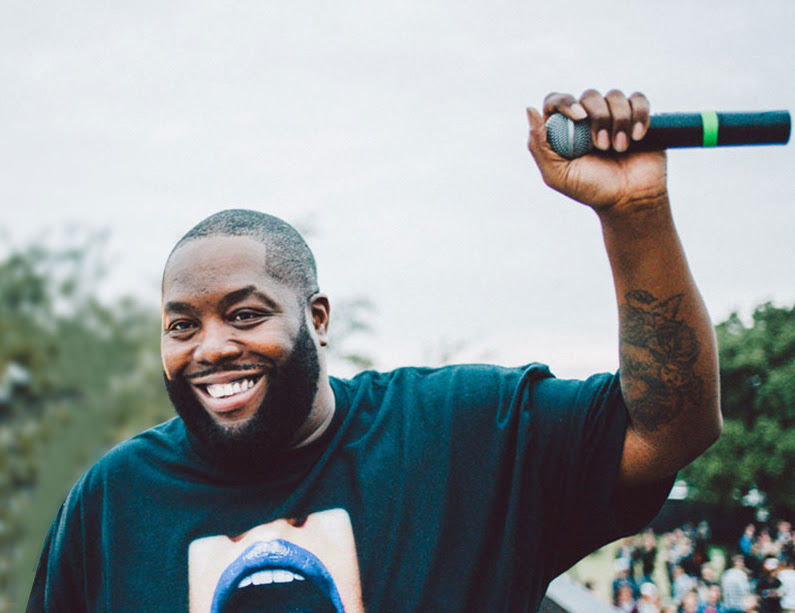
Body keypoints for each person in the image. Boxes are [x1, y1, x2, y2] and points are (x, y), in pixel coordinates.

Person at [26, 89, 722, 611]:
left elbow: (669, 429)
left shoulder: (466, 436)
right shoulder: (111, 502)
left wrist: (634, 214)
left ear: (317, 318)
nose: (211, 347)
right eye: (181, 326)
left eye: (244, 314)